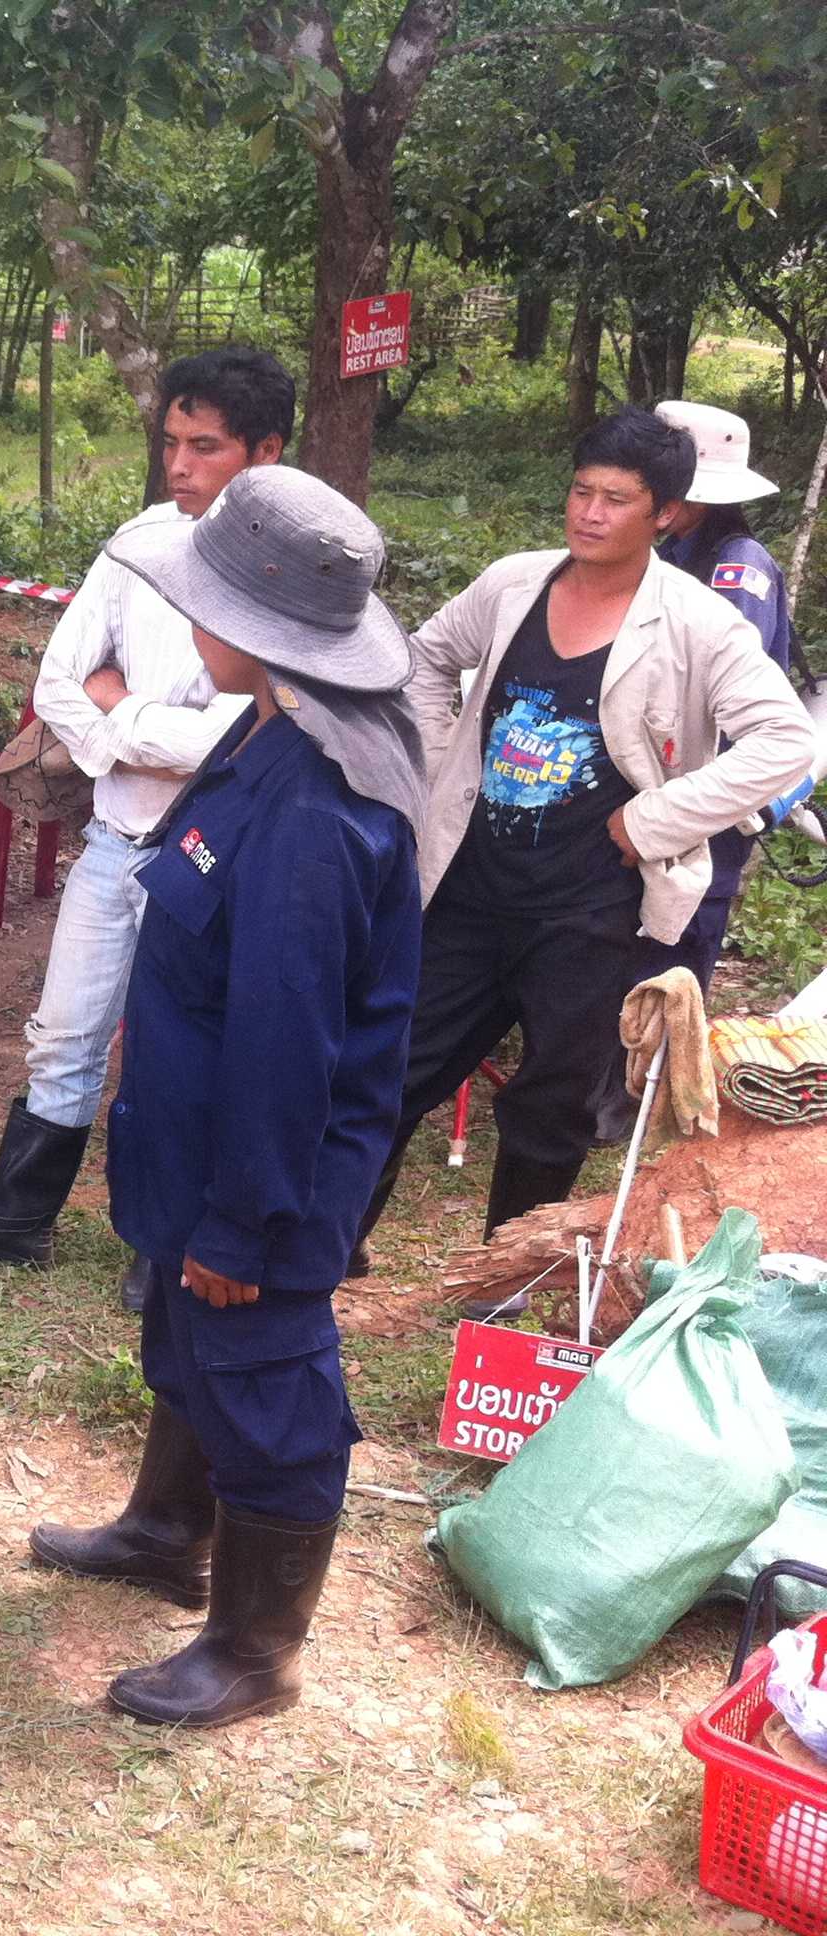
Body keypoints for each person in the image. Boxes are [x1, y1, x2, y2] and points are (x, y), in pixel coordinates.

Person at [37, 466, 426, 1729]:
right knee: (188, 1347)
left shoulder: (318, 800)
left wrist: (246, 1226)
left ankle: (257, 1650)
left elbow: (286, 1043)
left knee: (265, 1378)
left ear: (257, 626)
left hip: (256, 1172)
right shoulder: (265, 726)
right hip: (194, 1146)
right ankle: (166, 1528)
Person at [349, 407, 814, 1309]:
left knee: (551, 1103)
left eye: (617, 499)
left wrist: (657, 819)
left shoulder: (699, 622)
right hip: (472, 891)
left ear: (666, 514)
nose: (591, 514)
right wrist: (451, 764)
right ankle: (328, 1244)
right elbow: (421, 661)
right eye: (581, 491)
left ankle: (500, 1287)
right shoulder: (513, 584)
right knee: (390, 1068)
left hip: (595, 909)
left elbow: (783, 741)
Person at [0, 348, 294, 1312]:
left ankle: (161, 1239)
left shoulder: (291, 572)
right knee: (65, 1027)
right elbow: (56, 682)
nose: (179, 463)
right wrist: (134, 732)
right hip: (118, 838)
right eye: (171, 441)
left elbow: (251, 729)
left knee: (178, 1048)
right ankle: (18, 1216)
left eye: (204, 447)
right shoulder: (138, 543)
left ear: (265, 454)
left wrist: (119, 717)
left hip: (218, 859)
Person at [651, 399, 805, 987]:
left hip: (716, 779)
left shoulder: (739, 566)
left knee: (687, 930)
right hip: (666, 769)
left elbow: (719, 681)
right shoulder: (671, 553)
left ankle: (663, 1067)